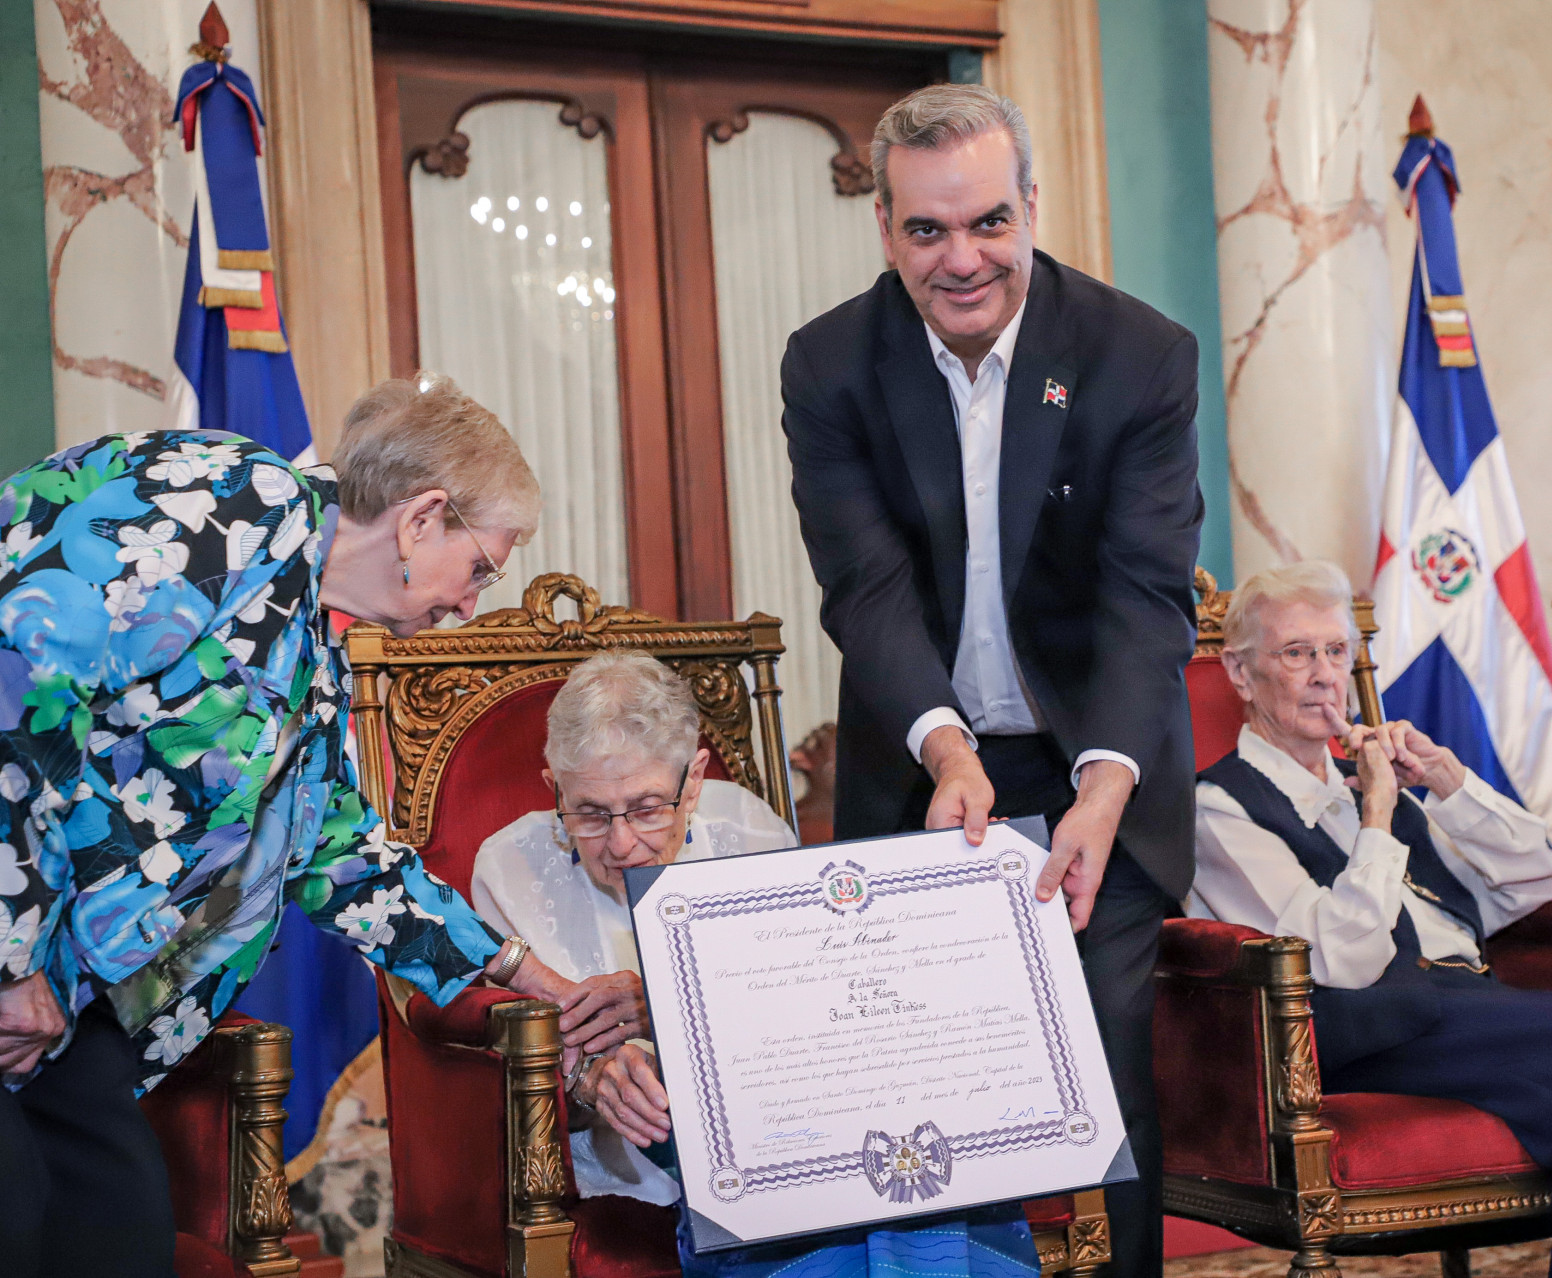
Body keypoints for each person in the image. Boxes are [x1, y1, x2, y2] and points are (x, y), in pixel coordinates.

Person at [0, 376, 585, 1278]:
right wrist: (12, 959)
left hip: (74, 998)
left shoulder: (309, 636)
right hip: (23, 953)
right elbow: (18, 684)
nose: (472, 604)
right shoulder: (234, 500)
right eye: (481, 568)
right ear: (422, 519)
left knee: (108, 1230)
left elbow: (338, 851)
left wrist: (521, 972)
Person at [780, 82, 1203, 1276]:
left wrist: (1105, 789)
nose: (961, 259)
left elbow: (1144, 594)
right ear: (884, 227)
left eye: (987, 224)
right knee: (919, 1096)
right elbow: (865, 587)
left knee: (1104, 1069)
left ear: (1031, 208)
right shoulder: (831, 363)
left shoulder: (1137, 355)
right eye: (927, 230)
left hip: (1098, 764)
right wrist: (947, 749)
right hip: (925, 768)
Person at [1193, 562, 1552, 1278]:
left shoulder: (1370, 785)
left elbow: (1539, 877)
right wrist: (1377, 817)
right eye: (1295, 653)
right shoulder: (1221, 807)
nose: (1323, 675)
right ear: (1241, 674)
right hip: (1365, 1028)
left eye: (1336, 651)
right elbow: (1342, 961)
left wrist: (1446, 779)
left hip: (1465, 1001)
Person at [472, 651, 1042, 1278]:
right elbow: (502, 1035)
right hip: (634, 1156)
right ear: (553, 784)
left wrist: (668, 1002)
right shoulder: (508, 868)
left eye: (647, 807)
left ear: (693, 780)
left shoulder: (748, 828)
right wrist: (587, 1073)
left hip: (783, 1129)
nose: (620, 842)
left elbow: (812, 1010)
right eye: (587, 812)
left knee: (910, 1164)